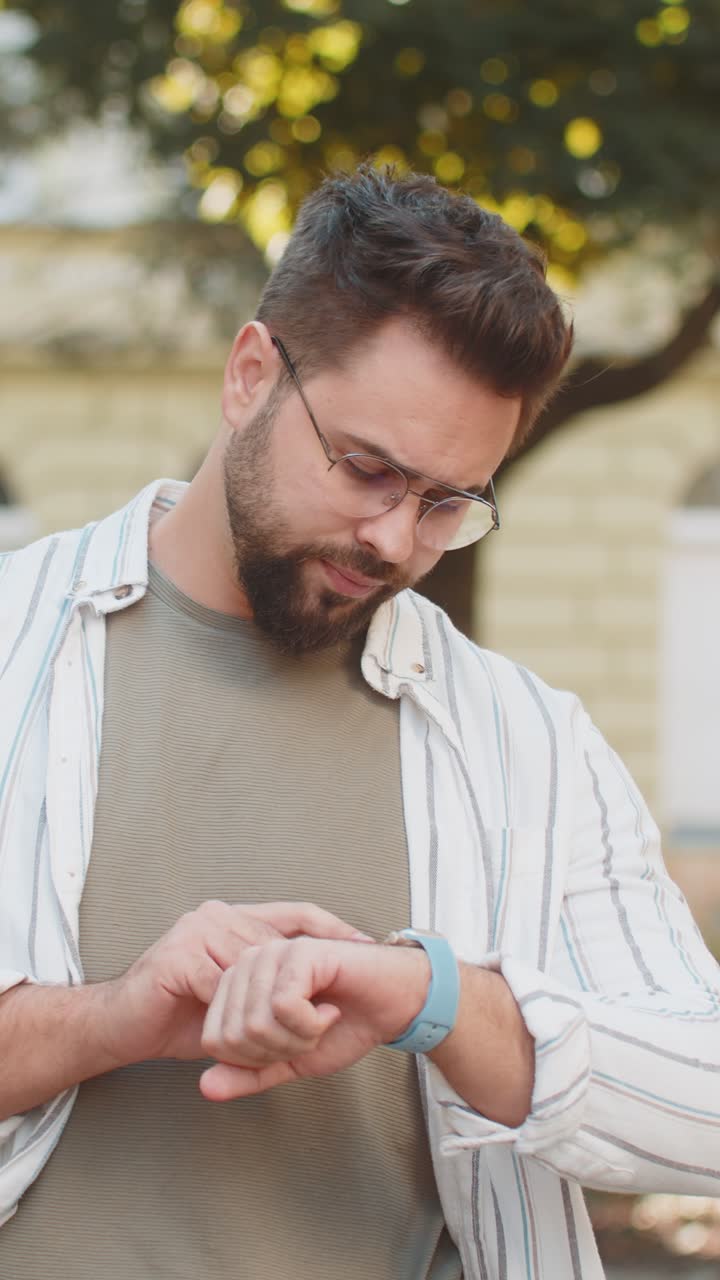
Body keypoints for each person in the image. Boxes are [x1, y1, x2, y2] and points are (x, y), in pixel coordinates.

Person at [0, 165, 718, 1280]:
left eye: (447, 503)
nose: (394, 539)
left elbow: (704, 1099)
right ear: (250, 375)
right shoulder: (13, 642)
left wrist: (437, 1001)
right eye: (368, 468)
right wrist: (111, 1019)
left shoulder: (531, 742)